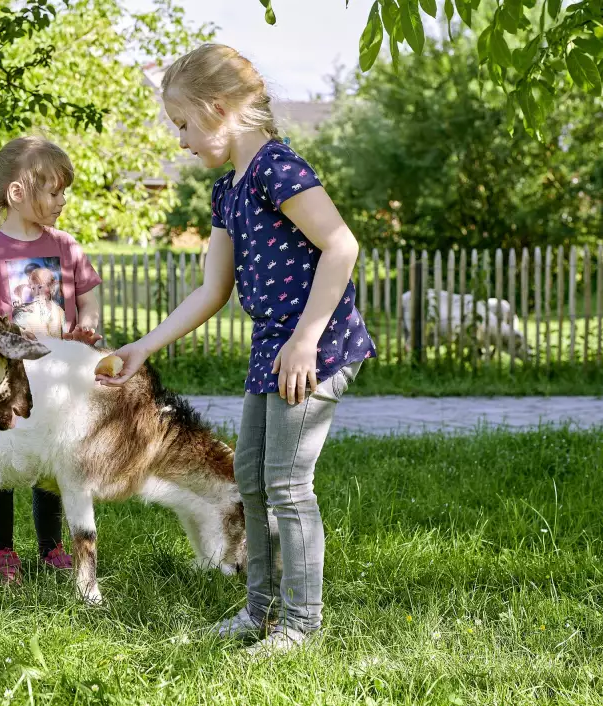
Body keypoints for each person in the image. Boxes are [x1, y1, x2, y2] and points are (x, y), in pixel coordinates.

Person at [96, 44, 376, 655]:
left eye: (183, 124)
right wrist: (143, 347)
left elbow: (341, 247)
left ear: (217, 109)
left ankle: (301, 624)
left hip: (315, 343)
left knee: (287, 483)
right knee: (248, 475)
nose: (180, 141)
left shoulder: (279, 168)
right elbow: (212, 290)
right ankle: (260, 610)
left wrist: (305, 340)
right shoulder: (228, 192)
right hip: (272, 344)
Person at [0, 135, 104, 583]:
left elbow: (89, 292)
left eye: (63, 192)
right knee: (1, 465)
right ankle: (3, 551)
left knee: (53, 464)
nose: (62, 200)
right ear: (18, 193)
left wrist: (89, 328)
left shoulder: (66, 245)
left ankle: (51, 545)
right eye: (54, 191)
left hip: (59, 381)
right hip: (10, 382)